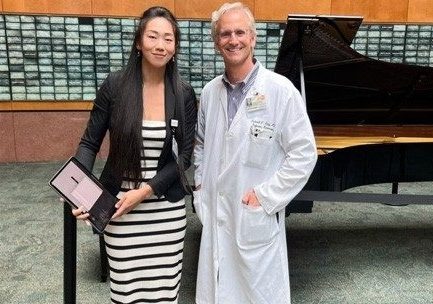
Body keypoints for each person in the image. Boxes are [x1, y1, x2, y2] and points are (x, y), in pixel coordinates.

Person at [192, 2, 318, 303]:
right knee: (217, 288)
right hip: (215, 209)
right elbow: (199, 146)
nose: (232, 40)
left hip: (254, 214)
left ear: (253, 37)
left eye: (239, 32)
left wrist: (264, 196)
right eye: (224, 34)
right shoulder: (210, 93)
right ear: (216, 42)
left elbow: (304, 153)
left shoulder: (280, 90)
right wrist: (200, 188)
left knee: (257, 292)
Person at [70, 6, 197, 303]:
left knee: (165, 293)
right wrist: (77, 188)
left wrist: (143, 192)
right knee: (126, 293)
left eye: (168, 38)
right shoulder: (115, 86)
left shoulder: (183, 93)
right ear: (139, 42)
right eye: (153, 36)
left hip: (165, 210)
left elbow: (185, 158)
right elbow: (89, 144)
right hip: (117, 208)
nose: (160, 45)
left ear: (175, 46)